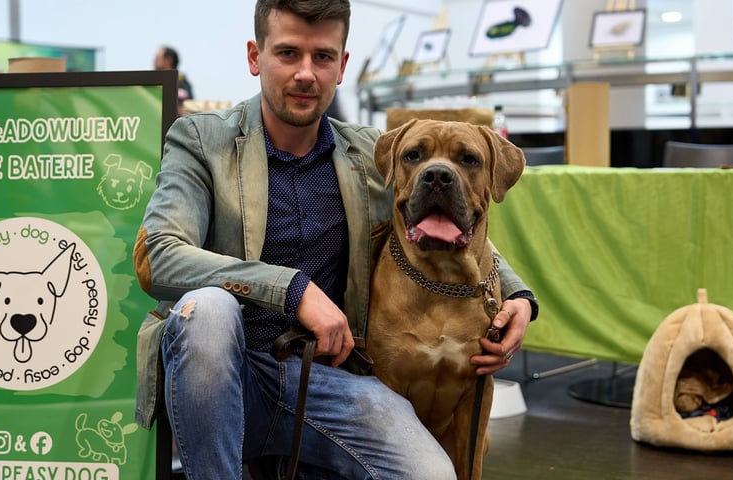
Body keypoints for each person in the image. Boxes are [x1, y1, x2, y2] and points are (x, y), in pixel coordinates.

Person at [133, 1, 537, 478]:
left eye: (322, 57)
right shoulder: (201, 140)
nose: (306, 73)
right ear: (254, 57)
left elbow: (449, 220)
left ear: (342, 65)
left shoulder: (373, 154)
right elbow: (158, 256)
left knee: (431, 474)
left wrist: (517, 295)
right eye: (288, 53)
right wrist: (292, 290)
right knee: (208, 311)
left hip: (330, 384)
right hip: (228, 373)